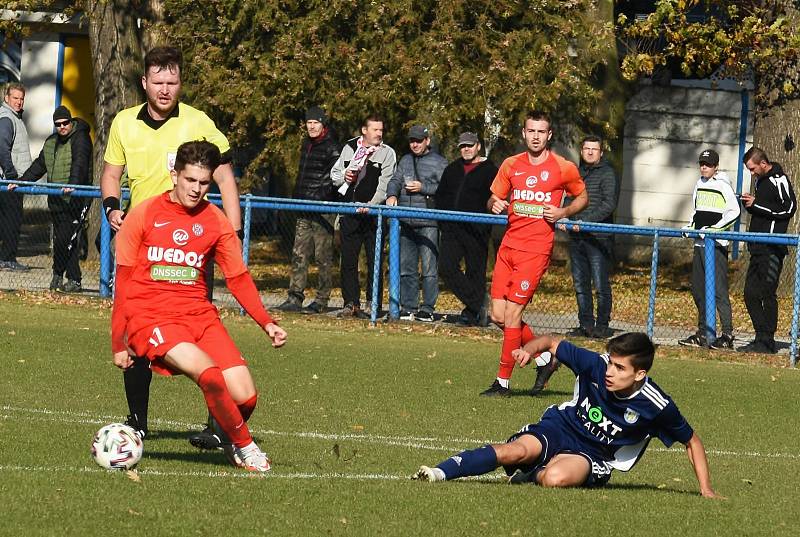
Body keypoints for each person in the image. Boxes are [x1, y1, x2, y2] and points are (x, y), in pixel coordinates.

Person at [111, 140, 286, 472]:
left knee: (246, 395)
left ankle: (227, 432)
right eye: (190, 180)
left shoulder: (215, 220)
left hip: (200, 315)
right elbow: (125, 283)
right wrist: (119, 341)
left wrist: (266, 322)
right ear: (174, 174)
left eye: (204, 183)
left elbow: (237, 277)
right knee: (209, 375)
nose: (196, 189)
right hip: (152, 317)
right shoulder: (145, 214)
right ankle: (246, 447)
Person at [99, 46, 242, 450]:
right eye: (158, 82)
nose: (165, 89)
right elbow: (111, 175)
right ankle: (137, 422)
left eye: (172, 82)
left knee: (202, 331)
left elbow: (227, 178)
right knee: (135, 330)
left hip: (192, 249)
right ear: (144, 82)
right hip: (143, 246)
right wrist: (112, 208)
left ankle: (218, 425)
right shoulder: (125, 123)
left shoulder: (198, 122)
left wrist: (231, 233)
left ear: (180, 84)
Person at [412, 332, 723, 499]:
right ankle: (439, 472)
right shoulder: (596, 365)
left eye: (620, 368)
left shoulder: (656, 405)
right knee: (513, 450)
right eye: (610, 363)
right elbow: (551, 341)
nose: (609, 372)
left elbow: (692, 441)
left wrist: (705, 489)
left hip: (593, 454)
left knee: (553, 479)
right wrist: (529, 351)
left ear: (640, 373)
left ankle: (528, 472)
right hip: (561, 427)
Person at [481, 111, 587, 397]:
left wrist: (564, 211)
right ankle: (544, 358)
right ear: (524, 134)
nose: (536, 136)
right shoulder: (511, 164)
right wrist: (494, 203)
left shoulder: (562, 167)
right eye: (531, 131)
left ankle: (502, 383)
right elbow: (494, 196)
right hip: (508, 247)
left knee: (513, 314)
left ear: (549, 135)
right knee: (497, 315)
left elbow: (582, 196)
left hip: (535, 250)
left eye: (541, 132)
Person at [20, 105, 93, 292]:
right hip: (57, 201)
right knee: (64, 240)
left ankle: (65, 276)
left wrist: (73, 185)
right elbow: (39, 166)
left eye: (65, 123)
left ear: (71, 121)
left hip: (77, 199)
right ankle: (66, 278)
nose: (62, 127)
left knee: (64, 240)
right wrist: (20, 182)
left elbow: (80, 164)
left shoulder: (81, 139)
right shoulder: (51, 142)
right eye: (58, 124)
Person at [330, 114, 396, 318]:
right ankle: (351, 303)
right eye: (375, 130)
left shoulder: (387, 153)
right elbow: (335, 175)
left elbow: (385, 184)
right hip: (350, 213)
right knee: (348, 260)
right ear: (364, 130)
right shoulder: (350, 148)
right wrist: (344, 176)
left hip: (373, 215)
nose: (379, 133)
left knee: (374, 260)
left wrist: (371, 205)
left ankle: (372, 303)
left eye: (381, 130)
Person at [276, 106, 340, 314]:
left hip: (322, 209)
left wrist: (322, 196)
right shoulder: (306, 144)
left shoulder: (332, 148)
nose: (311, 126)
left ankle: (321, 300)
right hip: (303, 205)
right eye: (309, 123)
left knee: (323, 257)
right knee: (299, 254)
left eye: (315, 123)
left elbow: (336, 178)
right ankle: (295, 297)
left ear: (323, 124)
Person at [677, 149, 740, 350]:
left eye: (709, 164)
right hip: (700, 244)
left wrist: (714, 230)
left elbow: (734, 211)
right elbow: (696, 212)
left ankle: (727, 334)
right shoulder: (698, 184)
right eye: (702, 164)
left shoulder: (723, 184)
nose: (704, 167)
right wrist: (690, 227)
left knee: (719, 291)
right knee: (698, 289)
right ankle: (703, 332)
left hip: (716, 245)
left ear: (716, 167)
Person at [435, 131, 498, 326]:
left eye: (470, 145)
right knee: (445, 267)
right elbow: (441, 195)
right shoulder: (452, 169)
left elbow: (495, 197)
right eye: (463, 146)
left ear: (478, 146)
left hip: (477, 229)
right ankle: (479, 303)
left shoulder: (490, 170)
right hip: (451, 229)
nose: (466, 149)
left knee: (475, 272)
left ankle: (473, 314)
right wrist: (443, 222)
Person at [738, 147, 797, 354]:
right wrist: (749, 204)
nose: (751, 172)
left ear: (763, 163)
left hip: (772, 248)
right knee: (750, 294)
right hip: (757, 247)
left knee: (767, 293)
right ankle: (760, 336)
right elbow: (763, 209)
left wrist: (758, 204)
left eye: (753, 168)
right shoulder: (760, 180)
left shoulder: (779, 179)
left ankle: (768, 341)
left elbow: (789, 208)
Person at [386, 125, 447, 321]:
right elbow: (395, 180)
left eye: (419, 140)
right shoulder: (405, 160)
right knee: (405, 267)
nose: (415, 144)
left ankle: (427, 309)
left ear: (427, 141)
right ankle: (409, 306)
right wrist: (391, 195)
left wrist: (423, 188)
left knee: (429, 269)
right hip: (405, 221)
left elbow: (445, 189)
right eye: (412, 140)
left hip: (428, 221)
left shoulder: (439, 162)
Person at [563, 135, 619, 341]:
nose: (589, 152)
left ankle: (602, 326)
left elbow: (608, 204)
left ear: (601, 152)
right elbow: (569, 198)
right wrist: (565, 215)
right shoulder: (576, 173)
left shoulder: (608, 174)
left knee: (600, 284)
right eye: (586, 148)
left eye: (594, 149)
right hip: (577, 238)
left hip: (598, 238)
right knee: (580, 284)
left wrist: (584, 222)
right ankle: (585, 324)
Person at [0, 82, 32, 271]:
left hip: (12, 181)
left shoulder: (14, 118)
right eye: (15, 98)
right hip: (10, 181)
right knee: (12, 220)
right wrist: (12, 174)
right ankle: (8, 258)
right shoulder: (7, 119)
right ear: (6, 98)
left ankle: (6, 257)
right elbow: (2, 148)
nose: (19, 102)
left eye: (21, 99)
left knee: (7, 221)